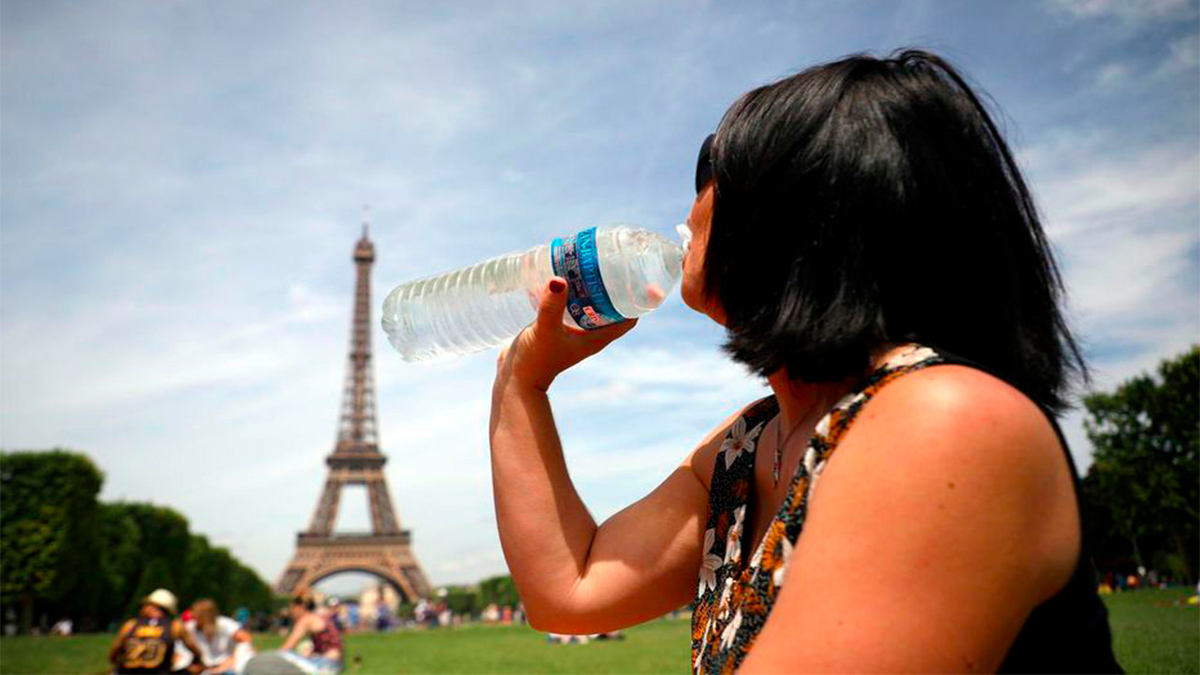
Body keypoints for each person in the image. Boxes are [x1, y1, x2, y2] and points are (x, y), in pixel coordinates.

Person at [489, 50, 1123, 673]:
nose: (692, 204)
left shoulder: (945, 423)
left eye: (713, 170)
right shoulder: (747, 447)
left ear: (796, 207)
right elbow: (570, 591)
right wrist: (522, 380)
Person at [109, 589, 203, 674]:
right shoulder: (175, 626)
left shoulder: (131, 624)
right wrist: (197, 662)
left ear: (150, 606)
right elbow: (194, 648)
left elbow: (115, 650)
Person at [182, 598, 254, 674]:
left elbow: (245, 640)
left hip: (227, 666)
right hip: (205, 667)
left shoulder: (225, 624)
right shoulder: (191, 627)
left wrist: (234, 658)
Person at [276, 593, 342, 673]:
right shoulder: (320, 616)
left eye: (292, 608)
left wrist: (272, 658)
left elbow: (288, 646)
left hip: (325, 663)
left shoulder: (306, 619)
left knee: (289, 659)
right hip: (337, 663)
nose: (292, 612)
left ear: (300, 607)